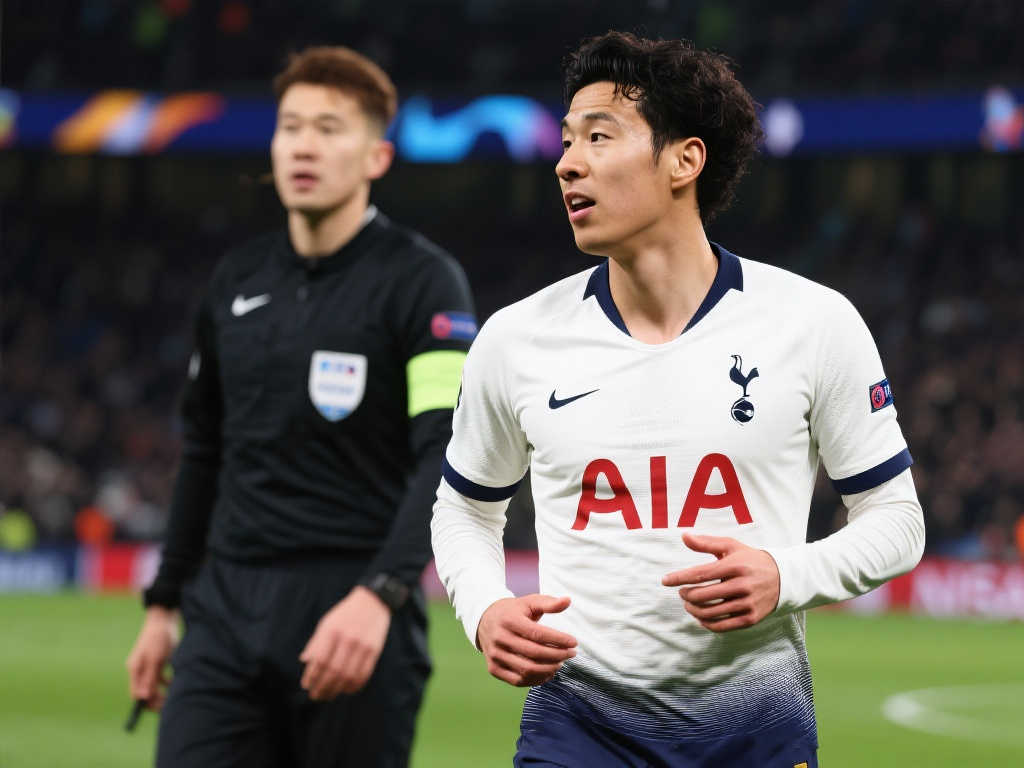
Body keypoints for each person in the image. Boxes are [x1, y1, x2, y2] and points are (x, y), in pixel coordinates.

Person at [431, 31, 925, 767]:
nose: (567, 162)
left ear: (684, 161)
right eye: (566, 141)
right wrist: (485, 608)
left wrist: (786, 576)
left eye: (599, 136)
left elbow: (897, 520)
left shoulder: (813, 322)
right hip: (577, 731)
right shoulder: (515, 339)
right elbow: (465, 509)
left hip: (756, 732)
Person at [126, 46, 476, 767]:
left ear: (377, 157)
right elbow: (203, 451)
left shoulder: (423, 284)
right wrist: (163, 604)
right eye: (290, 127)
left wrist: (380, 593)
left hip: (351, 605)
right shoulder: (236, 280)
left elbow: (444, 453)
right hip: (224, 609)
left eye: (328, 128)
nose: (303, 146)